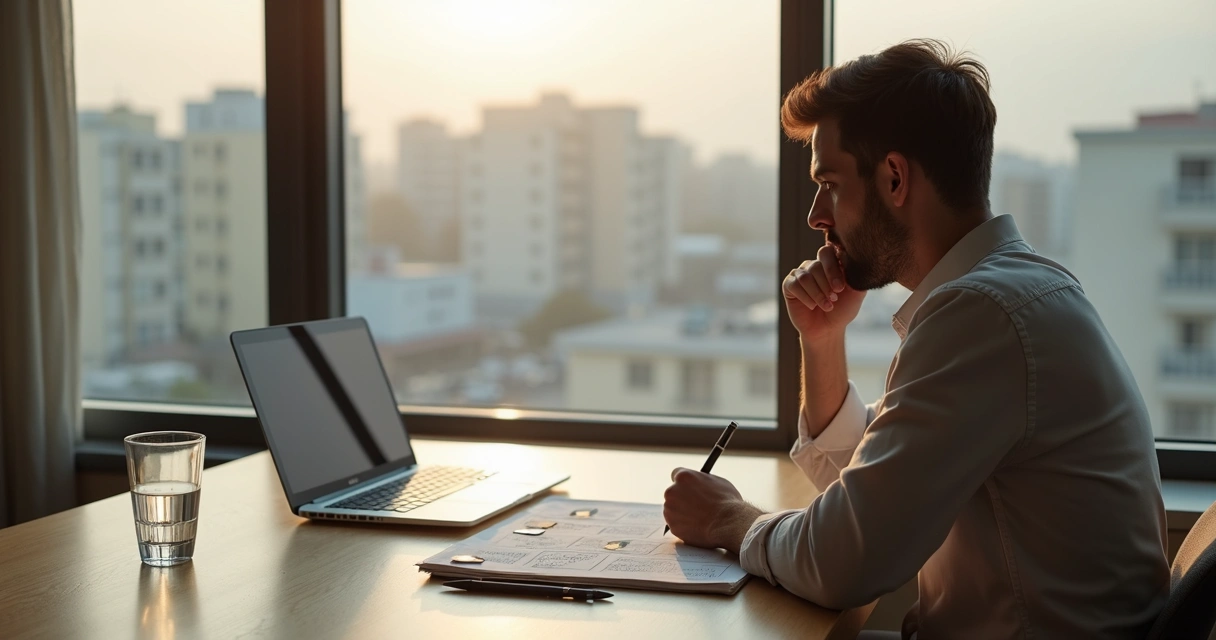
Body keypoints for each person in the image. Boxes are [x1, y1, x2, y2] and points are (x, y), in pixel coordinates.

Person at [661, 39, 1170, 638]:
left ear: (895, 178)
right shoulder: (1012, 291)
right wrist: (823, 340)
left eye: (830, 183)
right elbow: (876, 487)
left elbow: (844, 561)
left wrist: (728, 519)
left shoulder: (982, 314)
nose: (816, 215)